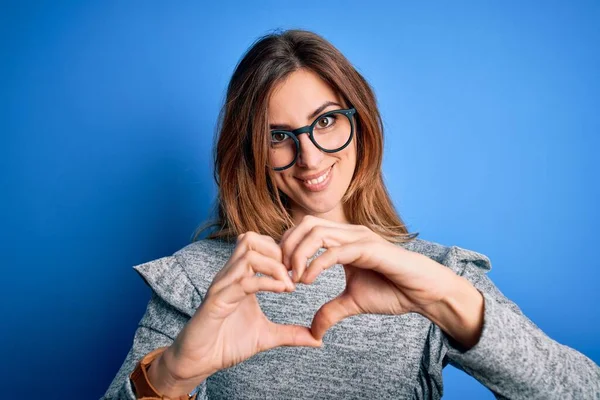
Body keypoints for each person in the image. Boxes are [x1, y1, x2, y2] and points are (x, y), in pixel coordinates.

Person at [101, 29, 600, 400]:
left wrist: (449, 300)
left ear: (359, 123)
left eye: (325, 121)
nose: (311, 157)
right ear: (250, 151)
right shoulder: (202, 279)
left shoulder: (434, 274)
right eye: (279, 136)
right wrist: (173, 375)